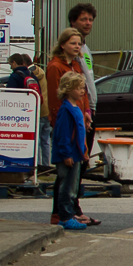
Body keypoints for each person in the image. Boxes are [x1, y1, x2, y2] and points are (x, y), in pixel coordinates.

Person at [46, 29, 94, 225]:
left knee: (76, 173)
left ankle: (71, 211)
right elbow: (55, 98)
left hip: (79, 118)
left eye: (79, 44)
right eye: (73, 43)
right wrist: (65, 120)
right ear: (63, 44)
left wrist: (86, 113)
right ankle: (61, 213)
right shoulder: (55, 66)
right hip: (67, 122)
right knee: (66, 175)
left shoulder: (76, 64)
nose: (76, 47)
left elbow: (83, 92)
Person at [51, 72, 89, 231]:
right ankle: (65, 216)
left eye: (83, 88)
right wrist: (66, 154)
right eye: (78, 88)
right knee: (67, 187)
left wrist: (84, 150)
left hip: (76, 153)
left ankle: (68, 214)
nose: (82, 91)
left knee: (73, 187)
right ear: (68, 89)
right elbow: (63, 134)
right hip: (68, 155)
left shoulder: (76, 107)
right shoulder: (66, 109)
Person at [67, 3, 97, 130]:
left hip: (89, 109)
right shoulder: (71, 51)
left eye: (90, 20)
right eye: (83, 19)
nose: (88, 23)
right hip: (79, 109)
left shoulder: (86, 49)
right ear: (73, 22)